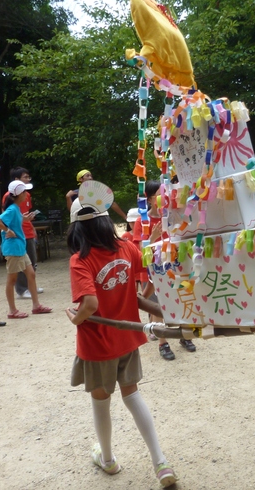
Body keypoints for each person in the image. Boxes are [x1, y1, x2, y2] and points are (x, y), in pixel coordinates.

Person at [65, 180, 177, 487]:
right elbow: (148, 273)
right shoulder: (126, 248)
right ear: (104, 222)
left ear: (76, 229)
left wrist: (76, 320)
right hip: (129, 339)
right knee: (133, 395)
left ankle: (109, 460)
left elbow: (89, 303)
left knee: (100, 402)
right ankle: (161, 463)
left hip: (98, 343)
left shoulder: (80, 260)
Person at [132, 181, 196, 360]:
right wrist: (151, 239)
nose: (166, 197)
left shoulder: (171, 216)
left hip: (175, 267)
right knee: (158, 306)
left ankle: (185, 334)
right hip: (153, 272)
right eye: (161, 194)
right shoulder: (141, 221)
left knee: (183, 298)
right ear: (152, 199)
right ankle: (163, 343)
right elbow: (138, 253)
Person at [0, 181, 52, 319]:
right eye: (25, 191)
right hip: (13, 249)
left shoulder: (15, 208)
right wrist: (8, 230)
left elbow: (14, 220)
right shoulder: (12, 209)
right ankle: (12, 311)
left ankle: (36, 306)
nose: (27, 194)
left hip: (19, 247)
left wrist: (25, 219)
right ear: (19, 194)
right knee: (12, 279)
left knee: (31, 274)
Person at [1, 167, 43, 299]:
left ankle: (31, 287)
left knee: (31, 262)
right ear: (16, 180)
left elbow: (20, 215)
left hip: (27, 233)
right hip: (17, 237)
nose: (28, 179)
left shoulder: (26, 196)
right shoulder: (9, 199)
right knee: (17, 268)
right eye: (25, 177)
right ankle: (22, 290)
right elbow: (1, 219)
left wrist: (28, 222)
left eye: (28, 177)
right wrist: (8, 230)